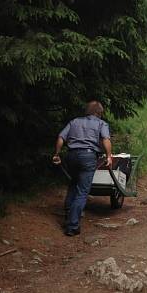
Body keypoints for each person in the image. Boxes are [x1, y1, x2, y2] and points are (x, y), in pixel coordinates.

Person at [52, 100, 112, 236]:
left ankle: (68, 215)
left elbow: (61, 137)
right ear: (99, 113)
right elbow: (106, 139)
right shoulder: (101, 123)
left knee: (73, 183)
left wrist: (57, 153)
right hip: (88, 156)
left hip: (71, 156)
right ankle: (72, 226)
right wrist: (109, 156)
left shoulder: (74, 121)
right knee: (82, 191)